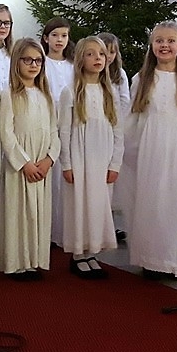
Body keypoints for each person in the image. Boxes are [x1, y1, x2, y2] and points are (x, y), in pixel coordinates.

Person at [122, 21, 177, 280]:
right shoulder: (142, 79)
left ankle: (173, 262)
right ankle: (149, 259)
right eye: (159, 40)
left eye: (171, 41)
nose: (165, 45)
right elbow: (133, 120)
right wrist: (131, 152)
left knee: (174, 208)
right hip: (150, 150)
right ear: (152, 45)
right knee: (150, 205)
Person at [58, 36, 123, 279]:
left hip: (103, 157)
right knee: (80, 204)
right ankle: (78, 254)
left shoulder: (110, 92)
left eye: (102, 54)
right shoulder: (71, 91)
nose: (98, 58)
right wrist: (67, 163)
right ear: (80, 59)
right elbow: (64, 130)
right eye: (91, 54)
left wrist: (115, 163)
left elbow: (118, 130)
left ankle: (92, 252)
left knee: (98, 204)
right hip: (80, 156)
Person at [0, 38, 60, 280]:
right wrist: (24, 163)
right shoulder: (9, 95)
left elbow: (54, 130)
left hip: (42, 162)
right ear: (17, 62)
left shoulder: (46, 95)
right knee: (18, 213)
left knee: (38, 213)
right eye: (28, 60)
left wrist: (49, 159)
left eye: (38, 61)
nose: (34, 65)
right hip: (20, 164)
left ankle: (35, 260)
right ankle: (17, 263)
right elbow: (6, 133)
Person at [41, 17, 74, 247]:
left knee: (66, 176)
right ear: (46, 38)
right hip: (48, 121)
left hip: (69, 123)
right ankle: (50, 232)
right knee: (51, 181)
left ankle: (65, 232)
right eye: (55, 35)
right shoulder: (42, 62)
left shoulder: (72, 65)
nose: (59, 40)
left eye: (64, 35)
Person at [99, 32, 130, 243]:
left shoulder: (120, 75)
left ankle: (114, 224)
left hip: (115, 127)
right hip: (97, 128)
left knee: (114, 180)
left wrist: (118, 122)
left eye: (112, 52)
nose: (108, 56)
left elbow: (125, 101)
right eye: (105, 52)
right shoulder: (91, 73)